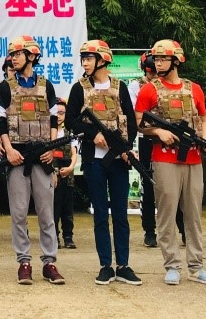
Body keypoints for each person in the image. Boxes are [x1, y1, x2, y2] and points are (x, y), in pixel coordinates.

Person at [134, 38, 206, 286]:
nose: (158, 63)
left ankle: (196, 266)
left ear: (176, 61)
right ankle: (172, 265)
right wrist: (158, 132)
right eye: (156, 59)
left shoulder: (194, 89)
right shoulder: (149, 90)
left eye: (163, 59)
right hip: (164, 158)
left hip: (193, 157)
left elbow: (204, 119)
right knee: (167, 213)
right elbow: (138, 122)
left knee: (194, 214)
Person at [65, 38, 140, 286]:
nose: (85, 63)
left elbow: (130, 122)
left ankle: (123, 265)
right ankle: (105, 265)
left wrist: (126, 149)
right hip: (94, 161)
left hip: (118, 161)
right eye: (83, 59)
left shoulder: (120, 87)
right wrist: (92, 134)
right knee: (100, 214)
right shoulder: (79, 88)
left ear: (102, 60)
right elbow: (70, 120)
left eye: (89, 58)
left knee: (120, 214)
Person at [0, 35, 66, 285]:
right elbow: (0, 121)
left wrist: (52, 150)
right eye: (12, 55)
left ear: (32, 56)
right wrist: (8, 149)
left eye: (18, 54)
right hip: (17, 157)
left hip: (42, 157)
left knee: (46, 213)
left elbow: (54, 120)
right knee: (18, 213)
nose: (13, 58)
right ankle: (24, 262)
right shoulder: (4, 88)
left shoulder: (47, 86)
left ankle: (49, 263)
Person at [131, 52, 160, 248]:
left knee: (174, 187)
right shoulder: (136, 86)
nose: (154, 77)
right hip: (147, 138)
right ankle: (149, 230)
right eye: (150, 74)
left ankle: (182, 228)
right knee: (148, 184)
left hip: (170, 139)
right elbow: (138, 114)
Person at [51, 98, 77, 249]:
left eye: (62, 113)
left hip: (67, 175)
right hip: (51, 175)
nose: (59, 116)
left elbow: (74, 154)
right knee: (54, 209)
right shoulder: (48, 133)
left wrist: (70, 168)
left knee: (68, 209)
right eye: (56, 113)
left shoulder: (70, 133)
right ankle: (54, 237)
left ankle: (68, 237)